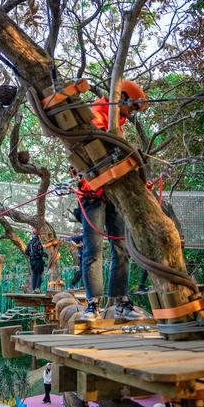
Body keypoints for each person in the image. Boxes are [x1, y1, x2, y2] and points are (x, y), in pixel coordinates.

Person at [77, 80, 148, 321]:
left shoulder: (117, 121)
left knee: (121, 247)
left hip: (114, 193)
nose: (132, 113)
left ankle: (121, 301)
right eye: (133, 107)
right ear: (124, 98)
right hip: (93, 194)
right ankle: (92, 304)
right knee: (93, 250)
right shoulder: (99, 113)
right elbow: (96, 143)